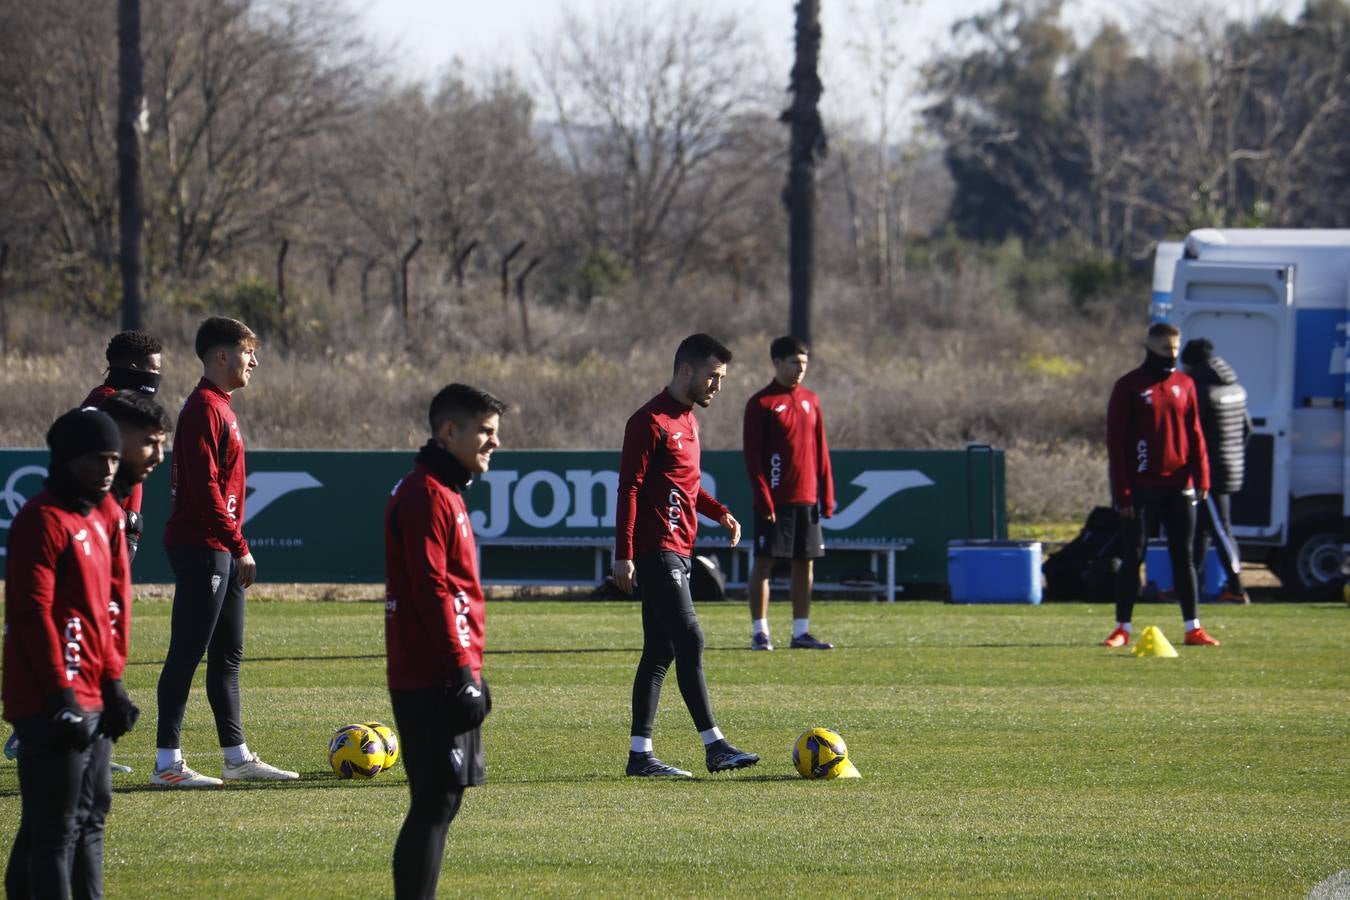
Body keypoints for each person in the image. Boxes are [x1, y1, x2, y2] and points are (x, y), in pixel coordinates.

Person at [152, 316, 298, 786]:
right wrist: (239, 545)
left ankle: (236, 757)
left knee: (227, 656)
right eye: (247, 351)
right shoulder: (202, 408)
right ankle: (167, 764)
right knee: (187, 653)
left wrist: (233, 546)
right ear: (221, 355)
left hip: (221, 547)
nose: (254, 360)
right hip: (203, 545)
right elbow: (203, 487)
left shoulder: (221, 407)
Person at [4, 408, 137, 899]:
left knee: (90, 817)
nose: (108, 470)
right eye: (97, 460)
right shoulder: (42, 519)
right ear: (67, 459)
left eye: (112, 459)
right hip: (47, 696)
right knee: (53, 830)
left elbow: (105, 610)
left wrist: (112, 683)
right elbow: (31, 613)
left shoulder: (103, 514)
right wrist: (59, 691)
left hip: (91, 691)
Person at [614, 333, 759, 778]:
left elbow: (687, 485)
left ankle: (640, 756)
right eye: (713, 377)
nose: (718, 386)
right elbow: (630, 488)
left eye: (722, 378)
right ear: (685, 371)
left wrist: (719, 513)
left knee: (658, 652)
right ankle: (715, 746)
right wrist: (624, 554)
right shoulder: (648, 420)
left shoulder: (689, 421)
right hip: (656, 550)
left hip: (680, 547)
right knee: (690, 638)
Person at [384, 384, 506, 899]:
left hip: (444, 670)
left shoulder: (445, 491)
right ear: (448, 431)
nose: (494, 443)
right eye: (485, 431)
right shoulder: (426, 494)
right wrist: (461, 673)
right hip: (430, 675)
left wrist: (471, 670)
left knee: (444, 800)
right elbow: (433, 589)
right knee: (434, 801)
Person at [1103, 322, 1220, 648]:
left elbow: (1196, 433)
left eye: (1175, 349)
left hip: (1179, 485)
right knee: (1133, 555)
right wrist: (1123, 490)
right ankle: (1122, 628)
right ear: (1151, 348)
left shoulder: (1185, 384)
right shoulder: (1129, 386)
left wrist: (1203, 476)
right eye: (1167, 349)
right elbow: (1116, 442)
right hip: (1141, 487)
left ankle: (1192, 627)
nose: (1172, 355)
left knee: (1183, 556)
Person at [742, 335, 836, 651]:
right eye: (794, 362)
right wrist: (763, 496)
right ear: (777, 363)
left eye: (804, 363)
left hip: (807, 498)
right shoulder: (762, 403)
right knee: (765, 563)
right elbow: (753, 457)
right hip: (775, 501)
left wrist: (828, 492)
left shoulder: (812, 399)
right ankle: (760, 632)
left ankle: (800, 632)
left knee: (805, 563)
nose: (800, 369)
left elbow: (821, 449)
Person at [1181, 338, 1252, 604]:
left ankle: (1237, 588)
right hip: (1230, 466)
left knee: (1220, 530)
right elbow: (1247, 429)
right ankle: (1190, 586)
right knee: (1202, 529)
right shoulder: (1234, 387)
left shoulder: (1200, 391)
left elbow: (1190, 433)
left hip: (1209, 472)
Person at [84, 330, 164, 561]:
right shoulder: (103, 404)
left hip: (122, 527)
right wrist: (119, 515)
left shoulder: (129, 405)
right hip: (104, 526)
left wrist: (131, 523)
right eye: (154, 369)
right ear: (133, 368)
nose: (158, 376)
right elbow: (87, 472)